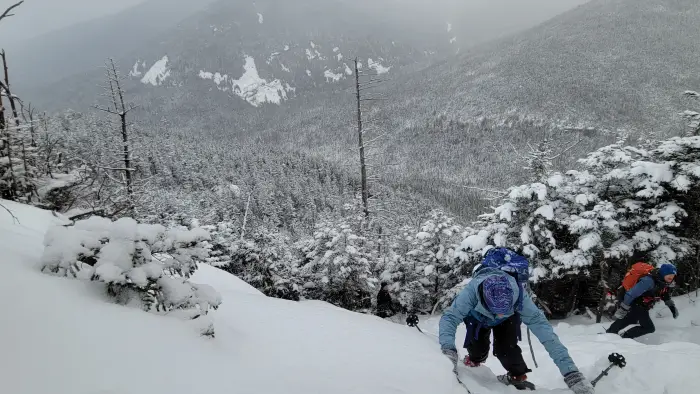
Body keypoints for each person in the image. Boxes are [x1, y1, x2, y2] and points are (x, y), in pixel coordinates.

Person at [438, 266, 594, 393]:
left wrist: (571, 373)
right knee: (477, 348)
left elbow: (547, 336)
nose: (498, 315)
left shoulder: (520, 297)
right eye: (496, 310)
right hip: (478, 317)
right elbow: (450, 318)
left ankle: (516, 376)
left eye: (503, 310)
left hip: (509, 318)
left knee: (507, 349)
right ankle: (474, 362)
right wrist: (448, 350)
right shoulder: (471, 292)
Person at [606, 263, 678, 339]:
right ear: (663, 273)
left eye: (673, 275)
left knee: (630, 319)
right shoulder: (649, 281)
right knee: (649, 328)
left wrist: (671, 306)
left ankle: (611, 333)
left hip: (641, 304)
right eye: (669, 274)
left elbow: (664, 294)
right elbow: (631, 294)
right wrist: (623, 308)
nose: (671, 277)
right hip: (634, 302)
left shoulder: (663, 281)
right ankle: (624, 337)